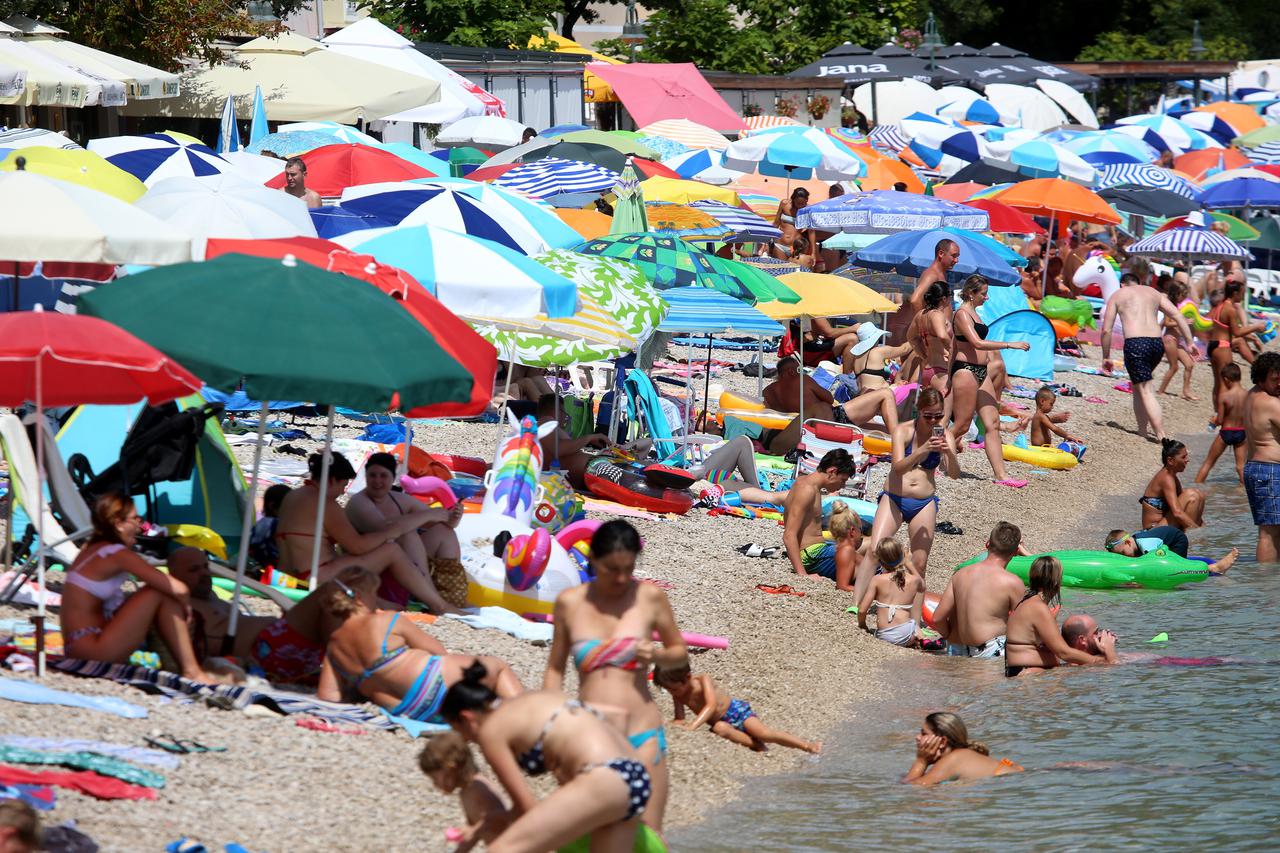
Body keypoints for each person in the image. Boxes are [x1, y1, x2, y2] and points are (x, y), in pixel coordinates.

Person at [544, 520, 686, 831]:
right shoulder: (570, 603)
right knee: (591, 833)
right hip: (590, 737)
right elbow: (555, 668)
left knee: (648, 835)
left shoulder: (649, 598)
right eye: (611, 569)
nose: (621, 578)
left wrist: (657, 655)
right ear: (592, 558)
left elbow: (679, 652)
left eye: (629, 568)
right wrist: (552, 724)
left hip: (642, 732)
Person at [441, 668, 653, 853]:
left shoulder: (491, 730)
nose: (467, 740)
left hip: (603, 776)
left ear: (467, 717)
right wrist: (480, 828)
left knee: (501, 849)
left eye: (460, 730)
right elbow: (620, 716)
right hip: (636, 777)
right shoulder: (533, 700)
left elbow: (525, 807)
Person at [317, 568, 522, 724]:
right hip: (434, 683)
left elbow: (328, 697)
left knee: (484, 704)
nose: (377, 602)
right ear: (360, 599)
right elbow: (437, 650)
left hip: (409, 711)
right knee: (497, 667)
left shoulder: (334, 648)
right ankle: (529, 716)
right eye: (374, 595)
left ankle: (502, 716)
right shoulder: (385, 621)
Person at [275, 452, 463, 615]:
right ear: (332, 480)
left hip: (291, 573)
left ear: (392, 478)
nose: (341, 493)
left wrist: (445, 516)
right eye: (342, 486)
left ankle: (440, 597)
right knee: (392, 549)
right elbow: (357, 546)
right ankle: (438, 604)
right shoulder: (328, 503)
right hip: (316, 576)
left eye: (384, 476)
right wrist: (393, 531)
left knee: (433, 534)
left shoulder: (294, 495)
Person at [61, 493, 213, 682]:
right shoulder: (117, 553)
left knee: (155, 592)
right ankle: (192, 671)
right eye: (135, 519)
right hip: (94, 650)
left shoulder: (90, 549)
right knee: (159, 592)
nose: (140, 525)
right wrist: (185, 607)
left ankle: (188, 668)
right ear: (118, 523)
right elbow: (178, 588)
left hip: (75, 647)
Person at [852, 388, 959, 606]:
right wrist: (923, 450)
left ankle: (913, 616)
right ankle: (856, 604)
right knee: (874, 550)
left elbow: (955, 474)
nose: (933, 421)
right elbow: (898, 468)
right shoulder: (903, 431)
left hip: (924, 501)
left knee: (919, 562)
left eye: (938, 416)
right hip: (894, 498)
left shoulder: (943, 434)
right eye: (928, 416)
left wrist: (948, 452)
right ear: (918, 412)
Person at [345, 452, 468, 609]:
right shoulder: (359, 503)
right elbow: (387, 530)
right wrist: (430, 514)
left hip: (403, 560)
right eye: (372, 475)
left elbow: (444, 522)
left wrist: (454, 516)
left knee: (444, 532)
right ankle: (435, 600)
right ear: (366, 476)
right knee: (407, 535)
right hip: (372, 562)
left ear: (392, 477)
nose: (377, 481)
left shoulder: (397, 499)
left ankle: (450, 595)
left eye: (383, 476)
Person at [948, 275, 1032, 486]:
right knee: (961, 426)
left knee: (992, 423)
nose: (987, 297)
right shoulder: (961, 314)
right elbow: (976, 343)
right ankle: (933, 460)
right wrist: (1009, 345)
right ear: (970, 293)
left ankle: (1001, 476)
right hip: (965, 371)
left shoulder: (975, 314)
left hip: (981, 371)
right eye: (983, 293)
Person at [1100, 271, 1194, 442]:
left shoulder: (1118, 295)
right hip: (1156, 344)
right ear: (1138, 282)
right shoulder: (1153, 293)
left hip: (1136, 343)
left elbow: (1106, 329)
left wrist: (1106, 356)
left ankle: (1161, 435)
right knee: (1138, 386)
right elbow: (1177, 315)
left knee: (1146, 390)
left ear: (1123, 284)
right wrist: (1189, 342)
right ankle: (1142, 430)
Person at [652, 663, 821, 754]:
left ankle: (806, 746)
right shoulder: (678, 694)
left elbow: (710, 706)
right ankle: (757, 746)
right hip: (720, 722)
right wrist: (674, 724)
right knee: (720, 729)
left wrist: (692, 726)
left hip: (736, 712)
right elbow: (680, 717)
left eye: (673, 688)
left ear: (687, 678)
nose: (672, 693)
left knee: (764, 733)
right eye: (668, 690)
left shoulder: (703, 681)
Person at [248, 565, 372, 686]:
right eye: (375, 595)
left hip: (279, 653)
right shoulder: (331, 599)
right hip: (278, 654)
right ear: (359, 597)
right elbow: (336, 645)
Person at [1004, 557, 1115, 677]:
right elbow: (1063, 653)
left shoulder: (1027, 603)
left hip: (1025, 672)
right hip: (1028, 675)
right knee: (1107, 667)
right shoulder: (1037, 607)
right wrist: (1102, 659)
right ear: (1056, 581)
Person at [931, 521, 1027, 659]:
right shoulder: (1012, 582)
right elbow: (1025, 623)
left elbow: (937, 618)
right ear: (1016, 552)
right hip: (989, 649)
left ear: (987, 544)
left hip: (957, 649)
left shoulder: (960, 574)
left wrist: (948, 636)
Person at [167, 546, 275, 660]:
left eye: (206, 566)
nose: (204, 573)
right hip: (251, 652)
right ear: (173, 577)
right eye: (194, 569)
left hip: (270, 639)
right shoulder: (176, 603)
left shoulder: (208, 594)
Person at [419, 731, 511, 853]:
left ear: (450, 768)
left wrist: (475, 830)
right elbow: (472, 832)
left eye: (435, 779)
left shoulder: (480, 787)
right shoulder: (464, 793)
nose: (435, 785)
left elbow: (500, 816)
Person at [763, 355, 899, 432]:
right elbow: (828, 398)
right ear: (791, 372)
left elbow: (771, 416)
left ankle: (895, 434)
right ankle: (897, 439)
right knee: (885, 393)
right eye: (798, 369)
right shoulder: (802, 381)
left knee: (875, 426)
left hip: (806, 426)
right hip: (831, 419)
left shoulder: (768, 391)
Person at [781, 449, 856, 581]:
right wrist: (802, 574)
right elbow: (789, 535)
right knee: (868, 565)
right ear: (832, 471)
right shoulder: (806, 490)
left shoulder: (808, 484)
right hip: (811, 556)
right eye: (842, 480)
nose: (842, 485)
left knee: (867, 544)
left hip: (816, 550)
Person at [904, 712, 1023, 786]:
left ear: (942, 741)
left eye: (923, 733)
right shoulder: (963, 755)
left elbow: (911, 788)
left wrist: (921, 761)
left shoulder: (954, 759)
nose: (917, 737)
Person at [1242, 351, 1280, 562]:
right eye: (1275, 380)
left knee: (1272, 531)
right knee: (1269, 533)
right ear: (1260, 378)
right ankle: (1265, 584)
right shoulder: (1270, 403)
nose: (1279, 384)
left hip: (1258, 468)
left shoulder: (1252, 395)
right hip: (1269, 470)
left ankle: (1270, 583)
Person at [1208, 279, 1268, 410]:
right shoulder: (1230, 309)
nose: (1243, 296)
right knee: (1227, 384)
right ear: (1235, 293)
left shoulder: (1219, 306)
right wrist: (1256, 327)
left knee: (1218, 383)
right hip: (1223, 346)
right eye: (1242, 293)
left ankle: (1217, 414)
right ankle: (1223, 419)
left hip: (1212, 345)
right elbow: (1237, 332)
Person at [890, 238, 959, 347]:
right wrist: (924, 328)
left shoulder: (939, 274)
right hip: (934, 339)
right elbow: (915, 300)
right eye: (954, 256)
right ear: (941, 254)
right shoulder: (932, 274)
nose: (956, 260)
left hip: (938, 336)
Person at [856, 538, 924, 647]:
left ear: (880, 560)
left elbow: (863, 609)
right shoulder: (913, 580)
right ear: (902, 556)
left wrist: (862, 625)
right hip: (907, 633)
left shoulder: (877, 580)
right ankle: (916, 638)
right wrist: (908, 564)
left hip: (886, 635)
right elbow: (922, 587)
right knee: (914, 625)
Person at [1103, 527, 1237, 574]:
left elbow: (1151, 566)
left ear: (1127, 542)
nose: (1125, 558)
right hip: (1166, 541)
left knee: (1178, 568)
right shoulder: (1133, 545)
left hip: (1176, 541)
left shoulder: (1145, 544)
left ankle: (1215, 567)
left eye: (1123, 554)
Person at [1197, 362, 1248, 483]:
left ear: (1226, 379)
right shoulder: (1248, 395)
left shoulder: (1224, 396)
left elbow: (1220, 420)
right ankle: (1245, 492)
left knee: (1209, 463)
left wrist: (1214, 421)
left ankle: (1196, 487)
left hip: (1226, 432)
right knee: (1240, 467)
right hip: (1242, 432)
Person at [1139, 439, 1204, 531]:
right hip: (1153, 532)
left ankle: (1192, 540)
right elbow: (1177, 512)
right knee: (1192, 495)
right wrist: (1197, 531)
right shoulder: (1166, 478)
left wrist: (1204, 529)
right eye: (1183, 457)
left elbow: (1185, 508)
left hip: (1164, 525)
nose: (1187, 460)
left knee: (1199, 495)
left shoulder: (1172, 477)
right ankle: (1191, 538)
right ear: (1170, 460)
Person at [1157, 280, 1199, 402]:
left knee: (1189, 365)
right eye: (1183, 295)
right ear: (1176, 294)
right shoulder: (1169, 305)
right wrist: (1183, 321)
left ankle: (1186, 391)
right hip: (1169, 339)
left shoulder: (1176, 306)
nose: (1184, 298)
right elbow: (1167, 323)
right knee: (1174, 367)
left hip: (1176, 340)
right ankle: (1161, 391)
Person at [911, 281, 952, 395]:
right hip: (940, 370)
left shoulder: (920, 315)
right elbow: (943, 336)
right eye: (950, 297)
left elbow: (911, 338)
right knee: (944, 411)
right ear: (944, 299)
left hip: (927, 368)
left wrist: (923, 355)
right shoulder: (937, 315)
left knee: (930, 411)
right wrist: (954, 352)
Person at [1030, 386, 1085, 456]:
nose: (1052, 407)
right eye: (1051, 404)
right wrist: (1067, 435)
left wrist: (1057, 420)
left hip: (1044, 448)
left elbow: (1049, 422)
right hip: (1038, 449)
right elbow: (1054, 428)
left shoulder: (1042, 416)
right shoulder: (1039, 416)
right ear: (1042, 401)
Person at [829, 500, 868, 592]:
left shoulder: (844, 549)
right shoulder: (846, 550)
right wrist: (873, 592)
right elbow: (842, 586)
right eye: (861, 529)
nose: (861, 534)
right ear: (852, 531)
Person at [248, 483, 290, 569]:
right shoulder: (274, 524)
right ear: (272, 506)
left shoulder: (262, 523)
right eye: (288, 507)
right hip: (271, 568)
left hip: (259, 564)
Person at [771, 187, 810, 261]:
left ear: (806, 200)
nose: (800, 206)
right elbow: (776, 223)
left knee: (794, 270)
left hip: (796, 247)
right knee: (781, 269)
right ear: (793, 199)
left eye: (803, 204)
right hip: (780, 244)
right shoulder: (784, 204)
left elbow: (811, 231)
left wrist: (813, 252)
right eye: (798, 203)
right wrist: (766, 242)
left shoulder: (807, 210)